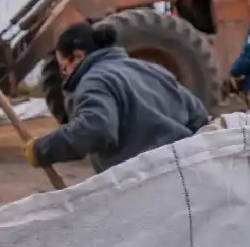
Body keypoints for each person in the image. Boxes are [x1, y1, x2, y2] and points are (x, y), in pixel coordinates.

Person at [24, 22, 209, 174]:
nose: (64, 74)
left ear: (77, 56)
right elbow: (199, 115)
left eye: (63, 66)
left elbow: (95, 129)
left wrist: (42, 149)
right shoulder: (151, 69)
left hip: (148, 179)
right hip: (189, 170)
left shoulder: (94, 81)